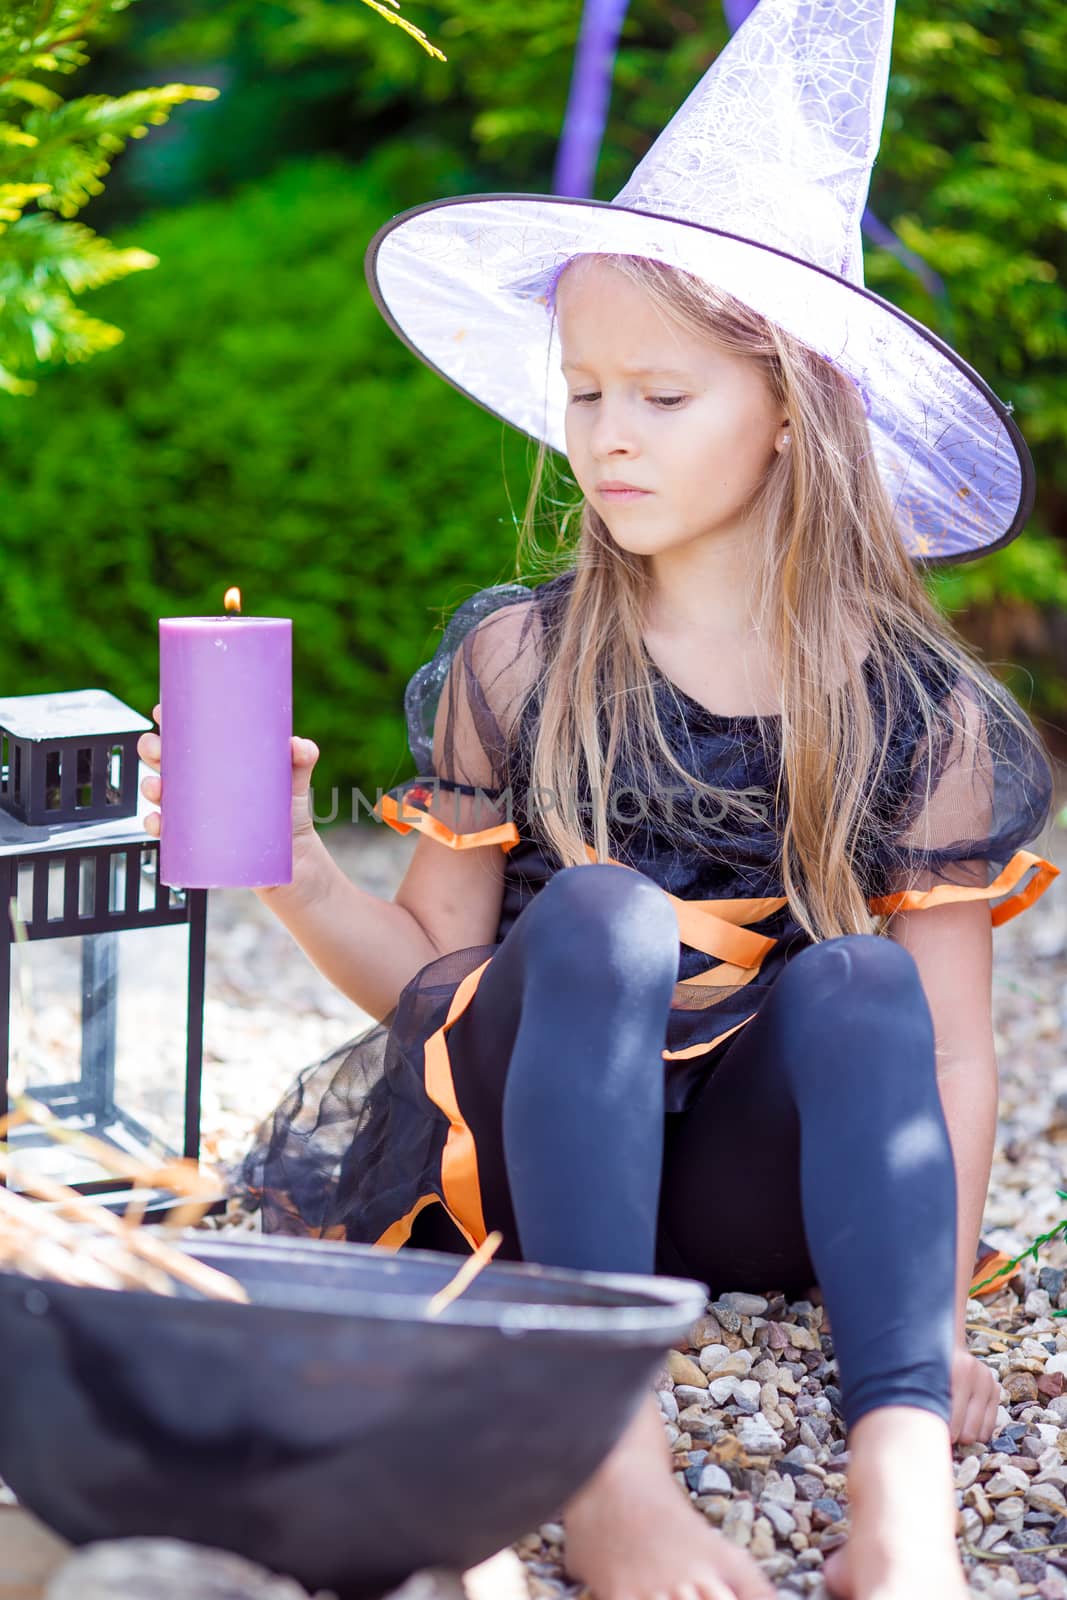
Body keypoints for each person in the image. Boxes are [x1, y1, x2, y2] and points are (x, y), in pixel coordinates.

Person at [139, 3, 1062, 1597]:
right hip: (536, 1155)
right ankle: (613, 1466)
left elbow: (954, 1045)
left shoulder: (919, 715)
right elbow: (431, 989)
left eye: (661, 396)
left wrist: (927, 1320)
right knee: (603, 912)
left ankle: (894, 1493)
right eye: (585, 394)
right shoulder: (523, 658)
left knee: (855, 984)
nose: (605, 437)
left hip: (754, 1197)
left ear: (792, 409)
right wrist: (290, 862)